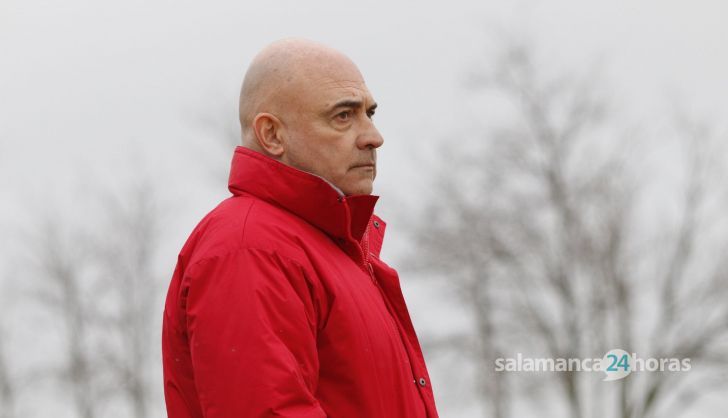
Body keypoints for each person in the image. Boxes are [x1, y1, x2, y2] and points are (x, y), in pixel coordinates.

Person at [162, 38, 439, 418]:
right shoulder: (249, 248)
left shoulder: (334, 251)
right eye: (343, 116)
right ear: (272, 135)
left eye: (369, 114)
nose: (373, 137)